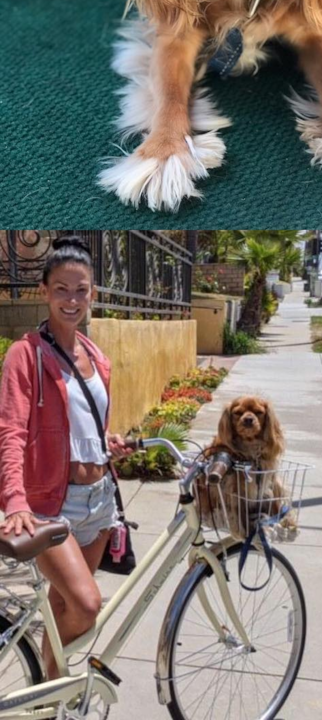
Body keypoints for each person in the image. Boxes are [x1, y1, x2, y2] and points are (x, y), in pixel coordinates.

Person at [0, 236, 133, 679]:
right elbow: (12, 430)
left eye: (81, 290)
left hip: (98, 501)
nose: (72, 300)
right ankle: (44, 682)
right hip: (52, 504)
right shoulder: (27, 355)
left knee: (63, 608)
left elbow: (81, 424)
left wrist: (106, 442)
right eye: (62, 289)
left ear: (92, 293)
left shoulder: (96, 355)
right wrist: (15, 500)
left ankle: (48, 697)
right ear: (44, 291)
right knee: (87, 604)